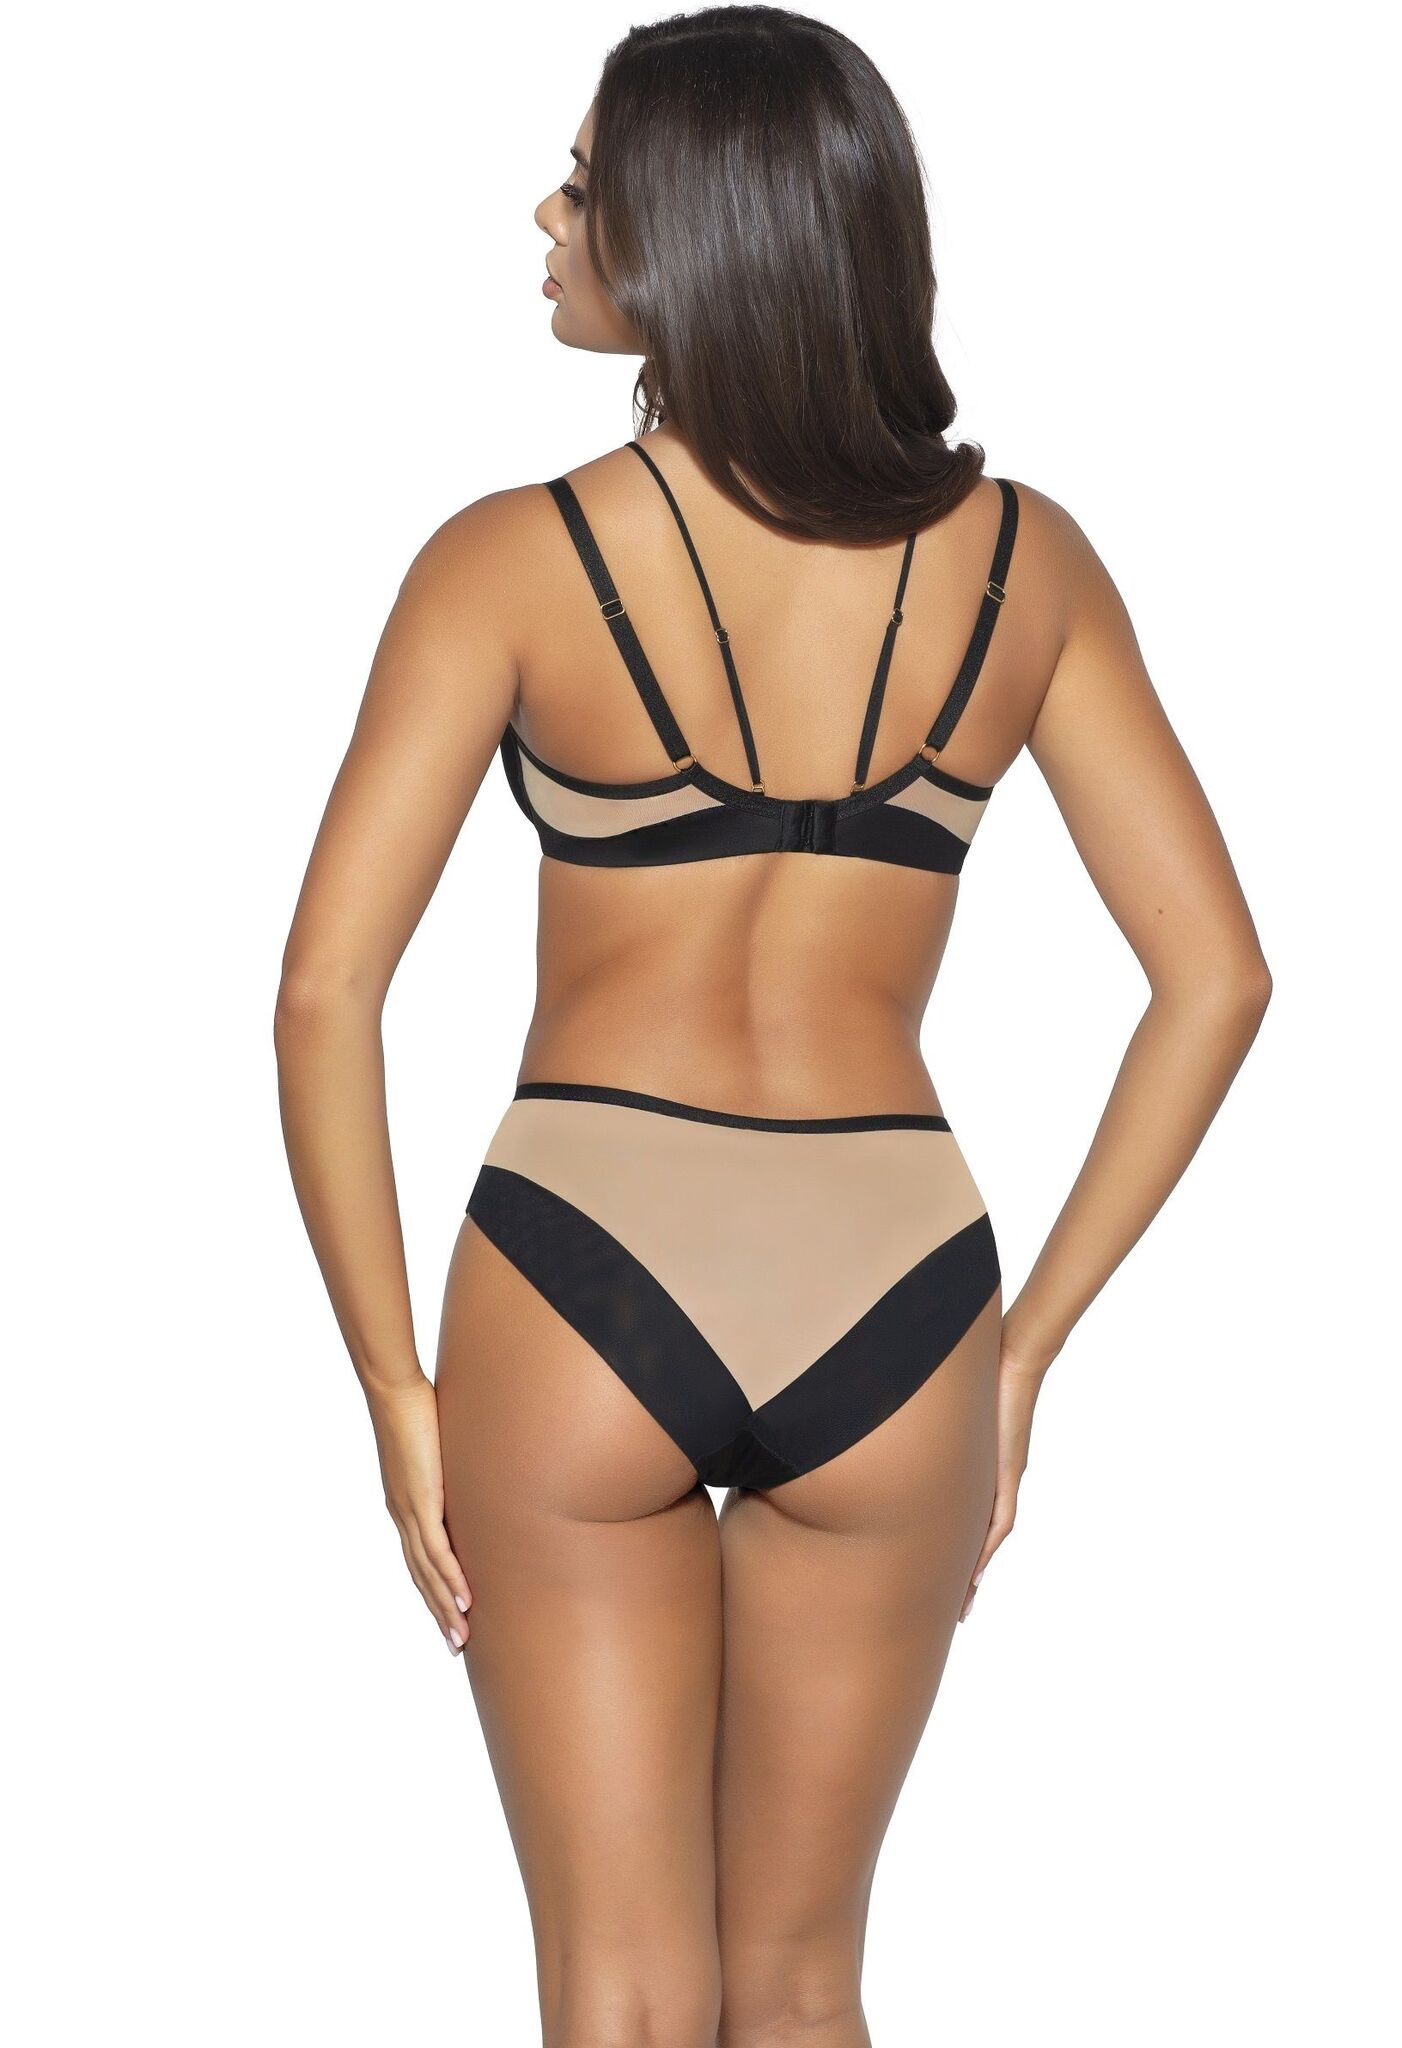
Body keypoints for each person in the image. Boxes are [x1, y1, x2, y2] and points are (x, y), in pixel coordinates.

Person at [275, 9, 1271, 2044]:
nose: (545, 217)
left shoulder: (507, 561)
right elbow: (1218, 977)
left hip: (581, 1264)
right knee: (801, 1980)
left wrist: (389, 1380)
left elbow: (322, 994)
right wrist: (1021, 1350)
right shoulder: (1024, 563)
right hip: (897, 1289)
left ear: (692, 226)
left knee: (622, 1991)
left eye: (582, 183)